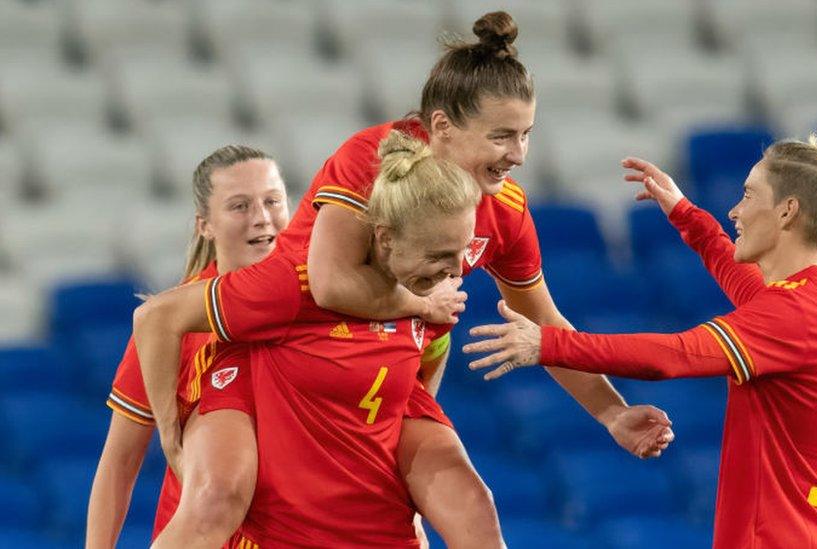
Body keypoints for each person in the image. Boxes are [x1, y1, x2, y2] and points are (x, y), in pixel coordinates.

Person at [142, 9, 673, 546]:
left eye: (526, 135)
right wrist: (422, 307)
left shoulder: (505, 209)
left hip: (387, 363)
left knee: (474, 507)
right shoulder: (372, 163)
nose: (517, 154)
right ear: (440, 127)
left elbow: (546, 320)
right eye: (501, 136)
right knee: (215, 504)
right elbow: (328, 284)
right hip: (289, 341)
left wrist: (613, 413)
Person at [464, 135, 817, 547]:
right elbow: (739, 275)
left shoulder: (791, 316)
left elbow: (675, 355)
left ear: (787, 211)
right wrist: (685, 213)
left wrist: (547, 344)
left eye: (748, 195)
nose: (735, 210)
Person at [135, 132, 493, 546]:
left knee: (474, 503)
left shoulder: (429, 296)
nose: (455, 271)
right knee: (216, 500)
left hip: (360, 497)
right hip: (287, 495)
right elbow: (154, 318)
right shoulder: (293, 285)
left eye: (460, 252)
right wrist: (169, 436)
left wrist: (406, 484)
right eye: (437, 255)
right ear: (385, 236)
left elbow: (423, 364)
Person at [86, 145, 289, 547]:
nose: (262, 218)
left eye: (272, 201)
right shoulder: (171, 324)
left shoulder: (325, 301)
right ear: (205, 225)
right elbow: (120, 462)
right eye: (240, 206)